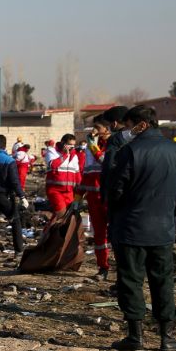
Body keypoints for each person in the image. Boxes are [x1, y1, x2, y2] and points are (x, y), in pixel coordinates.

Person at [105, 105, 176, 351]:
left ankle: (136, 336)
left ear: (139, 125)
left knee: (131, 281)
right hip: (163, 228)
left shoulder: (129, 151)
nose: (125, 130)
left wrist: (115, 145)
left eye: (128, 125)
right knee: (163, 281)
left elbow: (114, 189)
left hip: (131, 227)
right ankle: (167, 337)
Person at [71, 118, 112, 280]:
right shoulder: (90, 147)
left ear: (107, 129)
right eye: (93, 128)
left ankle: (124, 269)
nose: (94, 131)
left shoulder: (113, 145)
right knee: (99, 236)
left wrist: (93, 145)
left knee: (117, 234)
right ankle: (103, 267)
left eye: (98, 128)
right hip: (95, 200)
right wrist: (77, 199)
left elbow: (104, 161)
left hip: (110, 197)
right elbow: (87, 174)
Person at [44, 133, 81, 215]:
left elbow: (77, 174)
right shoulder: (52, 152)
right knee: (61, 213)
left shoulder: (74, 156)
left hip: (69, 192)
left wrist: (80, 190)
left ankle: (52, 227)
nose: (72, 147)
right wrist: (64, 155)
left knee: (68, 215)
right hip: (55, 190)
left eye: (73, 145)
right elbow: (53, 165)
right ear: (62, 143)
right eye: (69, 145)